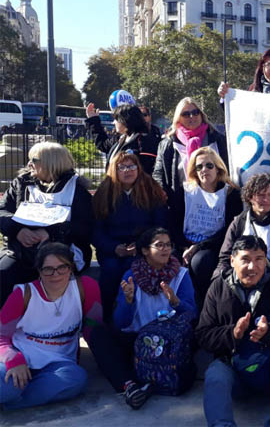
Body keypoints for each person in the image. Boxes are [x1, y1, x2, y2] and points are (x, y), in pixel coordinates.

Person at [196, 235, 270, 427]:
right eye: (245, 260)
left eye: (259, 259)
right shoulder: (218, 287)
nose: (252, 267)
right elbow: (203, 334)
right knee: (215, 374)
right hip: (234, 366)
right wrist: (233, 334)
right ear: (232, 260)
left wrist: (269, 331)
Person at [88, 227, 196, 410]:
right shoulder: (132, 276)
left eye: (168, 245)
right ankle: (130, 386)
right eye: (159, 245)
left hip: (168, 343)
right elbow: (121, 323)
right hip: (137, 339)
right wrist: (128, 302)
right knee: (98, 333)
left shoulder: (181, 275)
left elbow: (192, 315)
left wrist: (176, 302)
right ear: (145, 250)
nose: (165, 249)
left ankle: (148, 380)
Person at [0, 243, 102, 409]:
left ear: (71, 268)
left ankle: (12, 402)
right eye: (48, 269)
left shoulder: (85, 288)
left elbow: (94, 325)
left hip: (58, 363)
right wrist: (14, 360)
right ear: (39, 271)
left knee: (77, 379)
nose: (56, 274)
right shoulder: (23, 294)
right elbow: (2, 336)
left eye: (62, 267)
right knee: (7, 386)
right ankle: (15, 394)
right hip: (21, 355)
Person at [0, 142, 94, 305]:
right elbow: (2, 211)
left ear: (52, 162)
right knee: (3, 274)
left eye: (34, 160)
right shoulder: (21, 184)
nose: (29, 164)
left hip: (63, 251)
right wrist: (18, 231)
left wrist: (51, 234)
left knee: (50, 276)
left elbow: (85, 227)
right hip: (22, 251)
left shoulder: (77, 190)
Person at [93, 151, 168, 324]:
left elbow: (160, 224)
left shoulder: (151, 189)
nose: (128, 171)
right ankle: (106, 319)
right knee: (111, 271)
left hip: (142, 247)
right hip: (112, 248)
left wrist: (143, 245)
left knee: (131, 270)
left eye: (132, 166)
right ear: (114, 170)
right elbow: (96, 230)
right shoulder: (104, 192)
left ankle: (132, 318)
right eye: (122, 167)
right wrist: (113, 248)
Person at [169, 147, 243, 308]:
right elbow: (173, 223)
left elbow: (230, 229)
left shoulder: (230, 194)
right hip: (185, 242)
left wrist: (198, 247)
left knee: (200, 262)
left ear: (218, 168)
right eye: (199, 166)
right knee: (169, 260)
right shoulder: (185, 191)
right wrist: (183, 247)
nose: (204, 170)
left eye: (209, 166)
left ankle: (203, 307)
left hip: (214, 244)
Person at [153, 97, 228, 202]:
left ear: (201, 114)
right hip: (180, 203)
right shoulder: (168, 144)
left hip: (215, 201)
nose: (192, 116)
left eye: (195, 112)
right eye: (186, 114)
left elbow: (228, 168)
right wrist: (161, 191)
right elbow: (158, 173)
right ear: (178, 118)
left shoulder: (217, 139)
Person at [85, 103, 159, 174]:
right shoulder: (121, 139)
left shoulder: (144, 141)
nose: (113, 122)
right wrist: (93, 120)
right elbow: (103, 145)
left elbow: (147, 170)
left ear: (125, 121)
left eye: (116, 119)